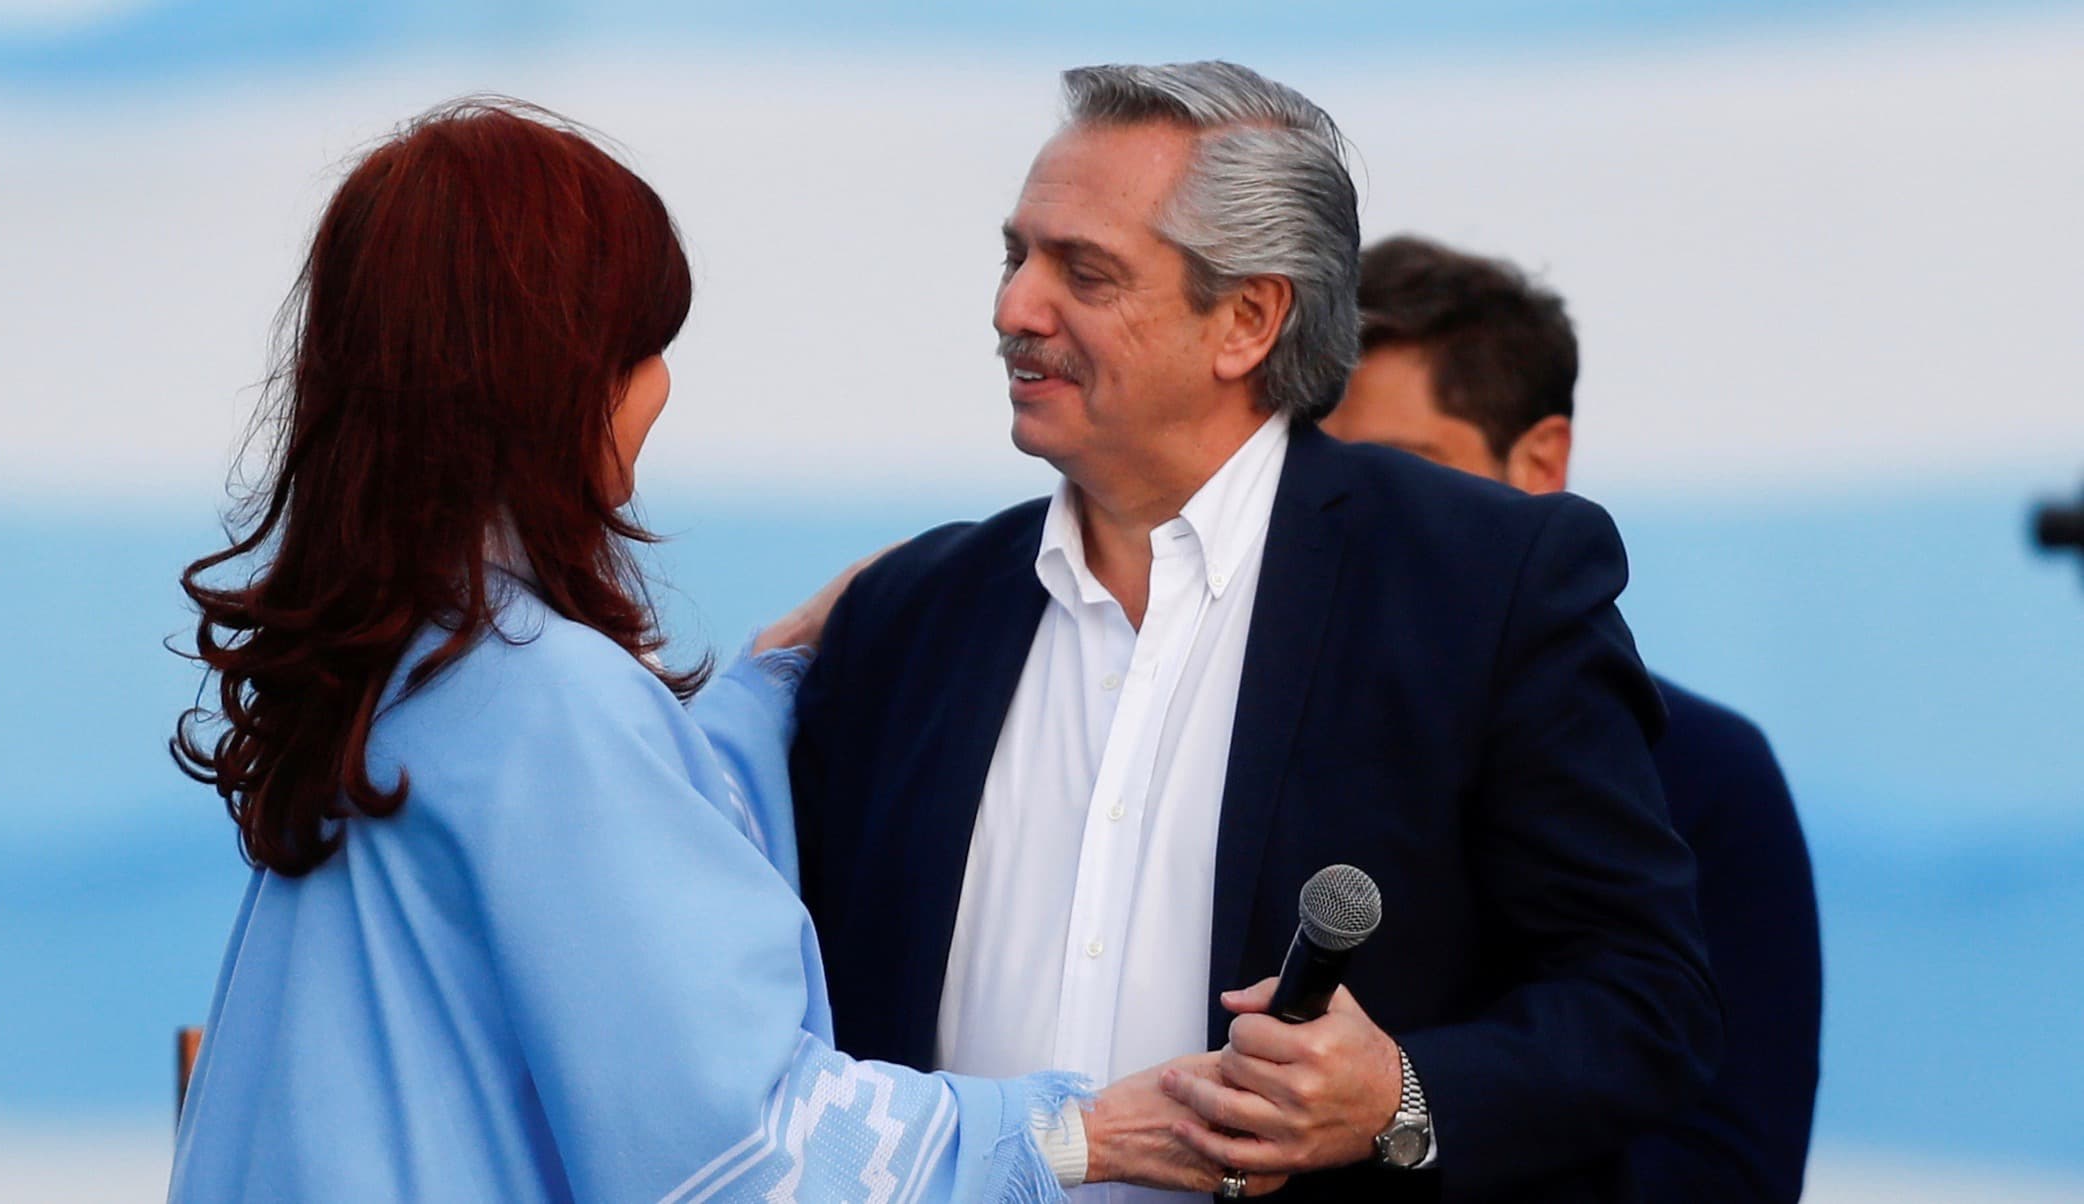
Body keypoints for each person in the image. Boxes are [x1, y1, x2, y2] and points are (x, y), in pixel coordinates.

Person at [164, 99, 1255, 1203]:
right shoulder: (545, 697)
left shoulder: (399, 662)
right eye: (642, 349)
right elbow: (739, 1146)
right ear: (557, 377)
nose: (658, 390)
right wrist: (1071, 1130)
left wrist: (779, 674)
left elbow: (595, 885)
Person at [792, 62, 1721, 1203]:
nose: (1014, 308)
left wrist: (1401, 1096)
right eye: (1013, 254)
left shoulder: (1484, 584)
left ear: (1246, 319)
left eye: (1083, 271)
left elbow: (1642, 1000)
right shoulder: (905, 617)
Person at [1324, 234, 1823, 1202]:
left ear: (1540, 460)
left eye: (1404, 473)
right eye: (1314, 482)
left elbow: (1729, 1170)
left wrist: (1397, 1111)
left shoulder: (1707, 773)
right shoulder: (1248, 739)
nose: (1349, 519)